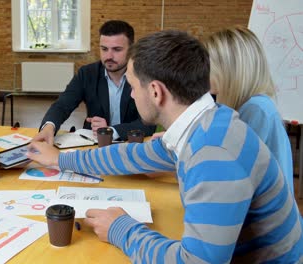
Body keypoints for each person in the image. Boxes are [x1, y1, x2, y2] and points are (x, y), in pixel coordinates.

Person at [28, 30, 303, 262]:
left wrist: (120, 229)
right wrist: (60, 161)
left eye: (133, 86)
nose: (132, 93)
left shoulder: (213, 151)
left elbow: (196, 262)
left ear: (156, 92)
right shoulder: (208, 120)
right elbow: (132, 155)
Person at [33, 20, 155, 144]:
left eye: (117, 49)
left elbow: (149, 123)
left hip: (131, 144)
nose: (109, 56)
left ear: (131, 49)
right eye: (104, 49)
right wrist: (49, 126)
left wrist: (110, 131)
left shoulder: (144, 75)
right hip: (92, 143)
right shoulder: (87, 74)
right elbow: (62, 105)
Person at [204, 26, 294, 193]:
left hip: (267, 217)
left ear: (229, 69)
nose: (203, 72)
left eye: (209, 65)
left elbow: (230, 171)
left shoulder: (256, 109)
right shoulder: (250, 105)